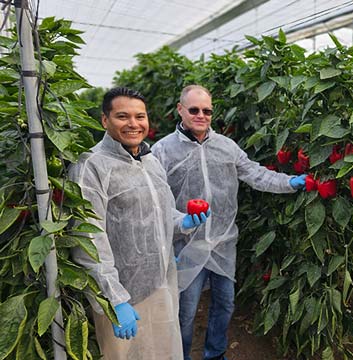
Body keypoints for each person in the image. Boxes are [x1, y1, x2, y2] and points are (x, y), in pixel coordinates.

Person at [152, 84, 307, 360]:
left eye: (207, 111)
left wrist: (289, 183)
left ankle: (215, 354)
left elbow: (256, 174)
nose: (201, 115)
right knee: (186, 311)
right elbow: (154, 200)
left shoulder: (226, 146)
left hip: (223, 242)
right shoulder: (163, 150)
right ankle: (182, 355)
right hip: (186, 244)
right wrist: (164, 247)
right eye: (194, 110)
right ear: (180, 110)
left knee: (224, 304)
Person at [69, 87, 209, 360]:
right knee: (127, 354)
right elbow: (89, 237)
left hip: (160, 282)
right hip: (121, 290)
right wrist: (115, 299)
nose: (133, 124)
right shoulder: (92, 166)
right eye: (123, 116)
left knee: (163, 350)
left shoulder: (151, 161)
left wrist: (185, 221)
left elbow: (163, 212)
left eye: (140, 116)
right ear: (105, 120)